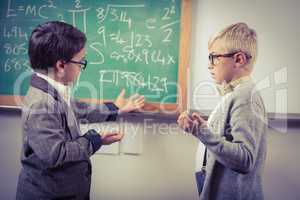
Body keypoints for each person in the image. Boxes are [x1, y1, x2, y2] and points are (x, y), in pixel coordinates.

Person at [16, 21, 145, 200]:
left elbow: (80, 109)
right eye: (81, 62)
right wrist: (93, 140)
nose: (81, 67)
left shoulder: (54, 89)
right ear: (61, 65)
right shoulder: (41, 104)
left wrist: (116, 108)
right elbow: (56, 154)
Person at [177, 22, 267, 200]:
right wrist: (199, 127)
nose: (209, 65)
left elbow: (245, 159)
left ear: (239, 60)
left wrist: (202, 132)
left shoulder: (245, 96)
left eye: (214, 57)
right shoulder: (233, 94)